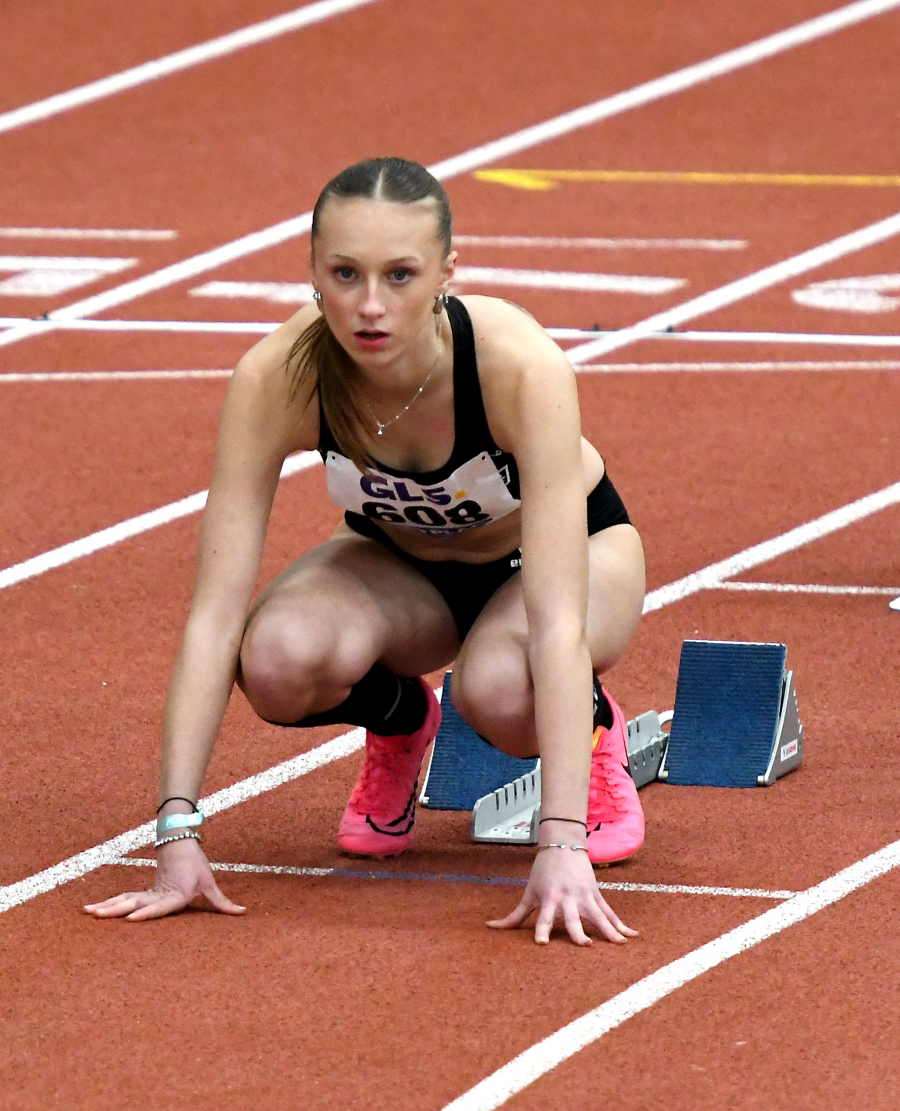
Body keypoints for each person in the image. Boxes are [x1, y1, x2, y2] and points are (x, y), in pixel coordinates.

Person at [84, 157, 646, 945]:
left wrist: (559, 840)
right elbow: (214, 616)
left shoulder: (519, 367)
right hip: (403, 569)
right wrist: (177, 833)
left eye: (401, 275)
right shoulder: (277, 377)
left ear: (448, 272)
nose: (371, 306)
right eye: (345, 273)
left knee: (498, 686)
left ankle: (595, 729)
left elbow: (557, 620)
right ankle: (400, 716)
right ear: (312, 270)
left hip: (558, 563)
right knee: (275, 658)